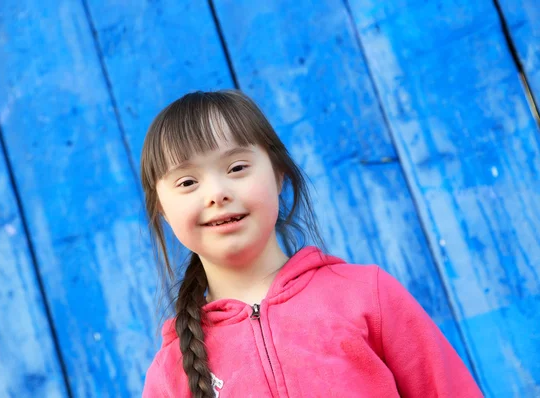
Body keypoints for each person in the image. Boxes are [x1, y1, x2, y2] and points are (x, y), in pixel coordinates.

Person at [140, 90, 482, 397]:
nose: (217, 193)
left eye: (237, 166)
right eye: (187, 182)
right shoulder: (170, 374)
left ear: (278, 175)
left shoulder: (367, 296)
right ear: (163, 212)